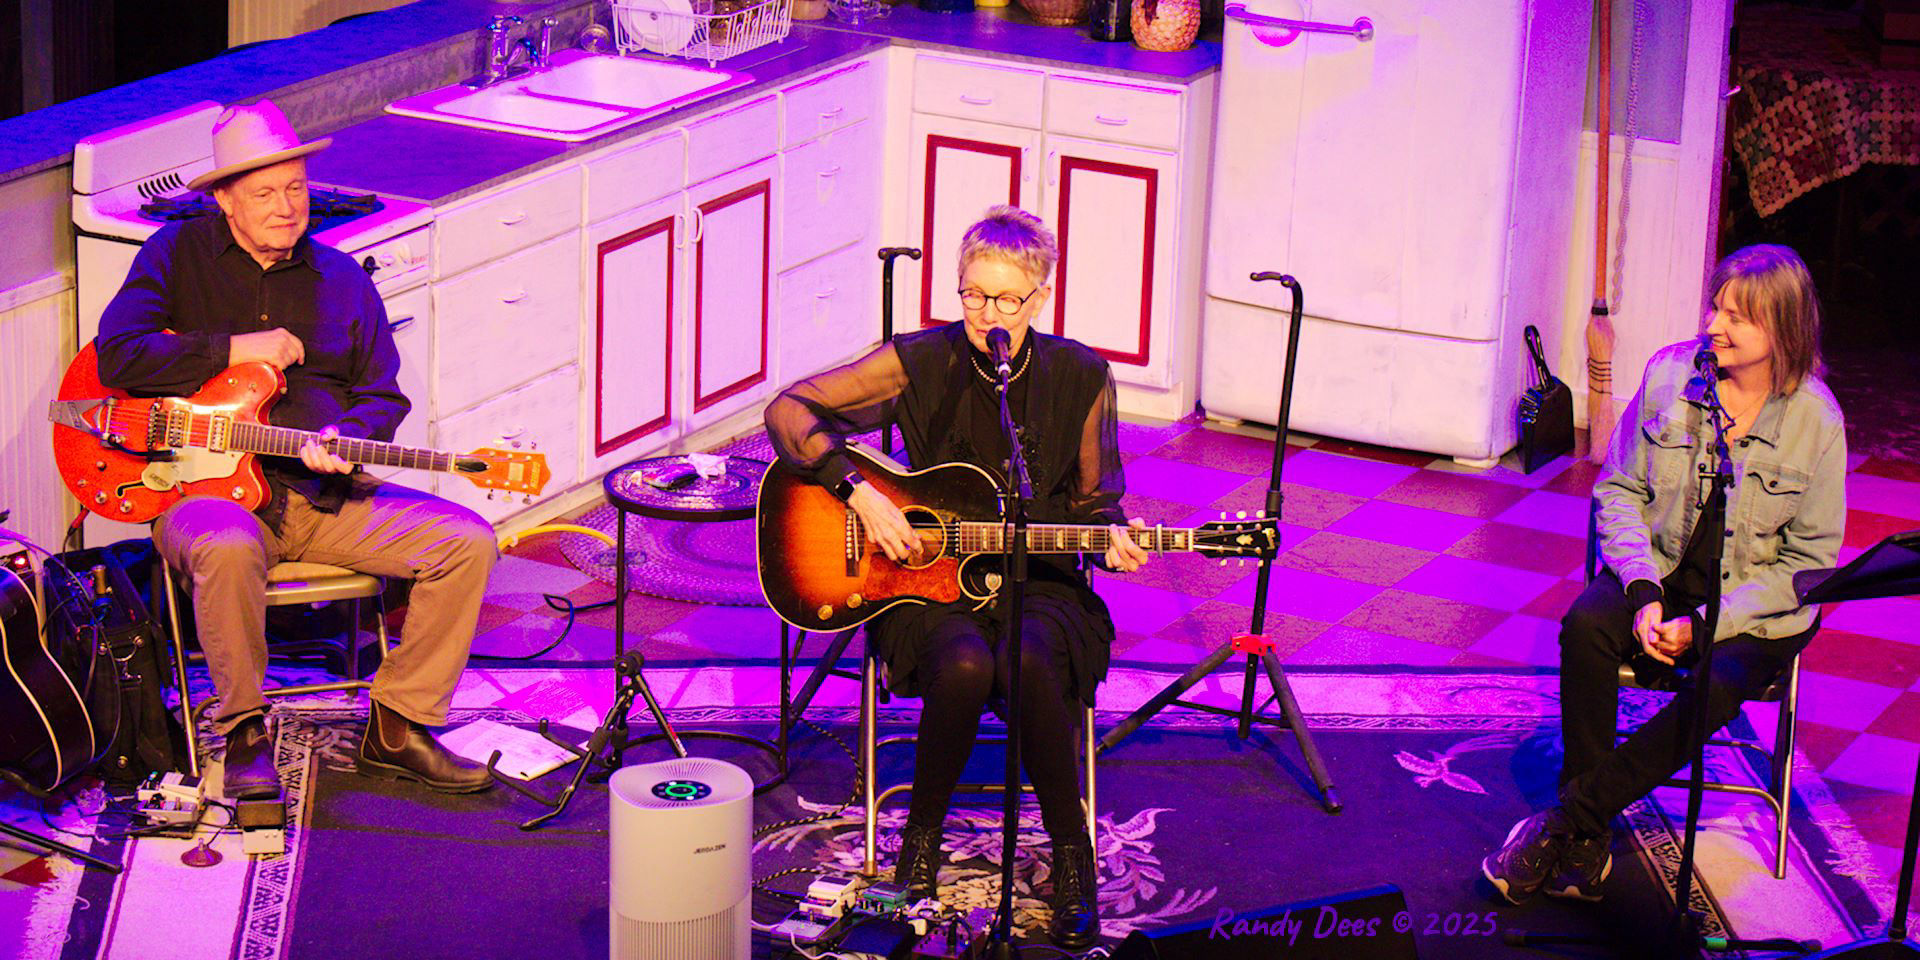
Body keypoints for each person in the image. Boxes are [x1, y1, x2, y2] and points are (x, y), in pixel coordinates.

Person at [765, 206, 1148, 948]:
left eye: (1006, 301)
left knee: (1031, 655)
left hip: (1038, 582)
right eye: (973, 295)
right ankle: (919, 848)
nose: (986, 316)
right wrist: (861, 492)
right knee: (968, 660)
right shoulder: (922, 359)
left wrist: (1114, 542)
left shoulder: (1082, 375)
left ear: (1040, 300)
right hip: (920, 580)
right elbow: (789, 411)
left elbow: (1099, 507)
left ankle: (1072, 860)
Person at [94, 101, 497, 801]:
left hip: (319, 497)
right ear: (223, 199)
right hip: (206, 497)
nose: (286, 208)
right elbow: (118, 358)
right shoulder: (175, 255)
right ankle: (245, 731)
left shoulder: (342, 279)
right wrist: (233, 349)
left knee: (467, 542)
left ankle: (399, 728)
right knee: (224, 546)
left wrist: (351, 437)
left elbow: (382, 396)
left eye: (296, 189)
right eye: (264, 193)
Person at [1481, 244, 1846, 903]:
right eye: (1715, 306)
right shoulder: (1670, 375)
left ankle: (1571, 819)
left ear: (1783, 330)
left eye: (1739, 316)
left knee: (1717, 680)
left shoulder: (1817, 421)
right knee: (1587, 624)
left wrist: (1705, 624)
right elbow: (1617, 490)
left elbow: (1808, 567)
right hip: (1661, 573)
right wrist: (1646, 595)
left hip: (1753, 607)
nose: (1714, 324)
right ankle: (1589, 839)